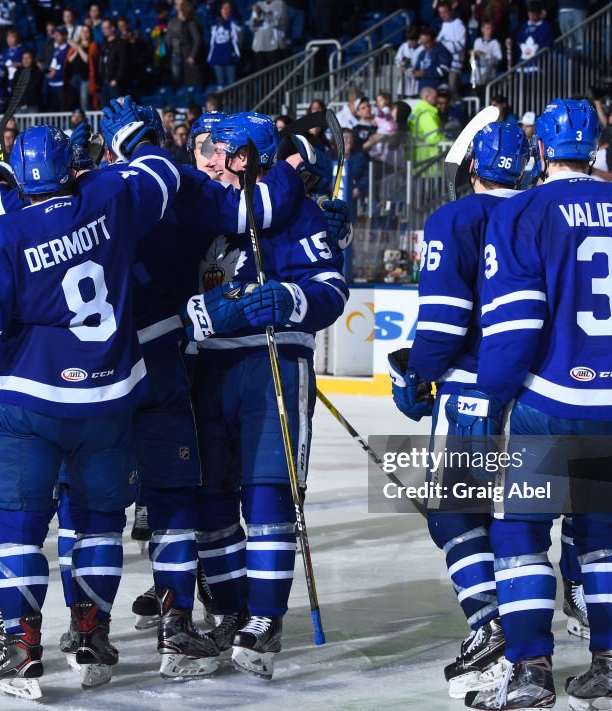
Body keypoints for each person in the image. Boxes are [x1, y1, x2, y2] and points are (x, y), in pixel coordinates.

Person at [0, 109, 182, 698]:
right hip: (107, 396)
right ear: (74, 166)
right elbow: (164, 174)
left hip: (30, 402)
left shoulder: (5, 227)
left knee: (19, 526)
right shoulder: (109, 191)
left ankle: (21, 648)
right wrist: (134, 139)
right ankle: (92, 636)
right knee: (98, 524)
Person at [451, 98, 612, 711]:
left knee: (520, 535)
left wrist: (491, 393)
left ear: (541, 151)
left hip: (549, 399)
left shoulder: (527, 209)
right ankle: (611, 665)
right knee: (605, 540)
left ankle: (532, 674)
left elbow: (513, 322)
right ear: (595, 149)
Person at [185, 112, 348, 680]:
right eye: (207, 149)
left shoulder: (295, 209)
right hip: (206, 367)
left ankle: (264, 618)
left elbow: (329, 285)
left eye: (222, 151)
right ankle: (228, 610)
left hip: (273, 363)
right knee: (209, 498)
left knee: (269, 495)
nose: (210, 159)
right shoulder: (201, 205)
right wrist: (197, 316)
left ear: (249, 158)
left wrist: (292, 301)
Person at [389, 121, 531, 700]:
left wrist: (416, 372)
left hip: (470, 386)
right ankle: (533, 636)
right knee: (520, 516)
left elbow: (445, 321)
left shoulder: (455, 218)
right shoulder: (540, 213)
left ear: (472, 165)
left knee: (452, 513)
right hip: (537, 391)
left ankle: (489, 627)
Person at [506, 1, 552, 73]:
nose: (531, 17)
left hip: (536, 66)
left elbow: (547, 45)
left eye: (533, 14)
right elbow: (518, 41)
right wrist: (510, 41)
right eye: (529, 14)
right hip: (522, 66)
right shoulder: (524, 26)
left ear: (539, 14)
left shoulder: (545, 27)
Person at [435, 2, 466, 99]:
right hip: (443, 63)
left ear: (451, 11)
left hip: (454, 65)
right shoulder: (444, 25)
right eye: (440, 13)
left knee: (452, 90)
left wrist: (443, 44)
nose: (442, 15)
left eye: (444, 12)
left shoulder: (459, 25)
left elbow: (460, 45)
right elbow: (438, 41)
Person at [168, 1, 203, 86]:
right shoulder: (175, 20)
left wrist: (192, 56)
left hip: (189, 55)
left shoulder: (191, 22)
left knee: (192, 81)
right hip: (180, 53)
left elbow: (197, 39)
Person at [207, 0, 241, 87]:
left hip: (230, 57)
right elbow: (211, 12)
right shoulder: (215, 23)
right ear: (220, 10)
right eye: (224, 8)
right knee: (220, 84)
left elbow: (238, 34)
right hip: (217, 57)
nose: (226, 10)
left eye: (228, 8)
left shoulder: (234, 22)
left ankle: (232, 100)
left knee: (231, 83)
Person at [248, 0, 287, 70]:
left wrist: (262, 13)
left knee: (274, 76)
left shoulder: (280, 4)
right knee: (262, 76)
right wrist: (256, 18)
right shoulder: (259, 5)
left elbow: (277, 22)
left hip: (274, 47)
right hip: (259, 47)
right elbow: (252, 27)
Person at [413, 26, 451, 91]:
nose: (424, 45)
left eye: (426, 42)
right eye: (422, 43)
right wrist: (415, 73)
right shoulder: (422, 53)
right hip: (422, 89)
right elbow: (417, 68)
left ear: (434, 40)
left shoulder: (442, 51)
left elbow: (444, 69)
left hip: (436, 89)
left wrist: (425, 73)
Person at [470, 20, 501, 92]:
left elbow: (498, 59)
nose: (489, 31)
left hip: (489, 77)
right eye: (487, 28)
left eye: (490, 29)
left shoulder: (495, 43)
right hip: (476, 76)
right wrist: (473, 54)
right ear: (482, 29)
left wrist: (484, 55)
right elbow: (472, 58)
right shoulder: (477, 41)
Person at [395, 27, 423, 99]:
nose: (411, 42)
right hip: (405, 76)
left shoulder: (422, 47)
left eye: (414, 40)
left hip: (416, 77)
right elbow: (398, 59)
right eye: (410, 40)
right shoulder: (404, 46)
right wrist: (401, 65)